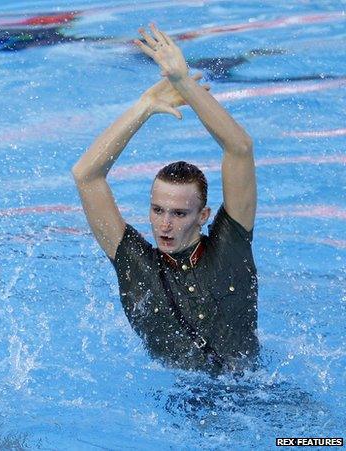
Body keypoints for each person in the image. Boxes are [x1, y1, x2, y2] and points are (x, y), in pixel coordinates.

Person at [72, 24, 258, 373]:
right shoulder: (134, 264)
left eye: (179, 213)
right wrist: (144, 106)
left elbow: (240, 148)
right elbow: (86, 175)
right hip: (181, 409)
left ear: (203, 215)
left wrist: (183, 82)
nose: (165, 224)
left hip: (255, 396)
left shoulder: (231, 246)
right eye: (157, 210)